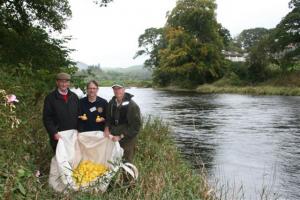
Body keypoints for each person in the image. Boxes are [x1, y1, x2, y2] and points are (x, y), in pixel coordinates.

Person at [104, 83, 142, 163]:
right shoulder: (111, 103)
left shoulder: (132, 106)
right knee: (113, 161)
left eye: (119, 88)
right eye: (115, 88)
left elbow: (136, 127)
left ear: (124, 89)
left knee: (126, 162)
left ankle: (127, 175)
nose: (117, 91)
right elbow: (108, 119)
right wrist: (106, 129)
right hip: (113, 138)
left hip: (127, 140)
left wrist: (120, 136)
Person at [43, 72, 80, 152]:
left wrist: (79, 129)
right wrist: (54, 133)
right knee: (60, 160)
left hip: (73, 135)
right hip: (59, 136)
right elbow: (47, 118)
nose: (64, 84)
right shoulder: (50, 98)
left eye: (66, 82)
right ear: (57, 82)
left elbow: (79, 115)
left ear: (69, 83)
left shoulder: (74, 97)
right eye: (61, 82)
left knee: (74, 157)